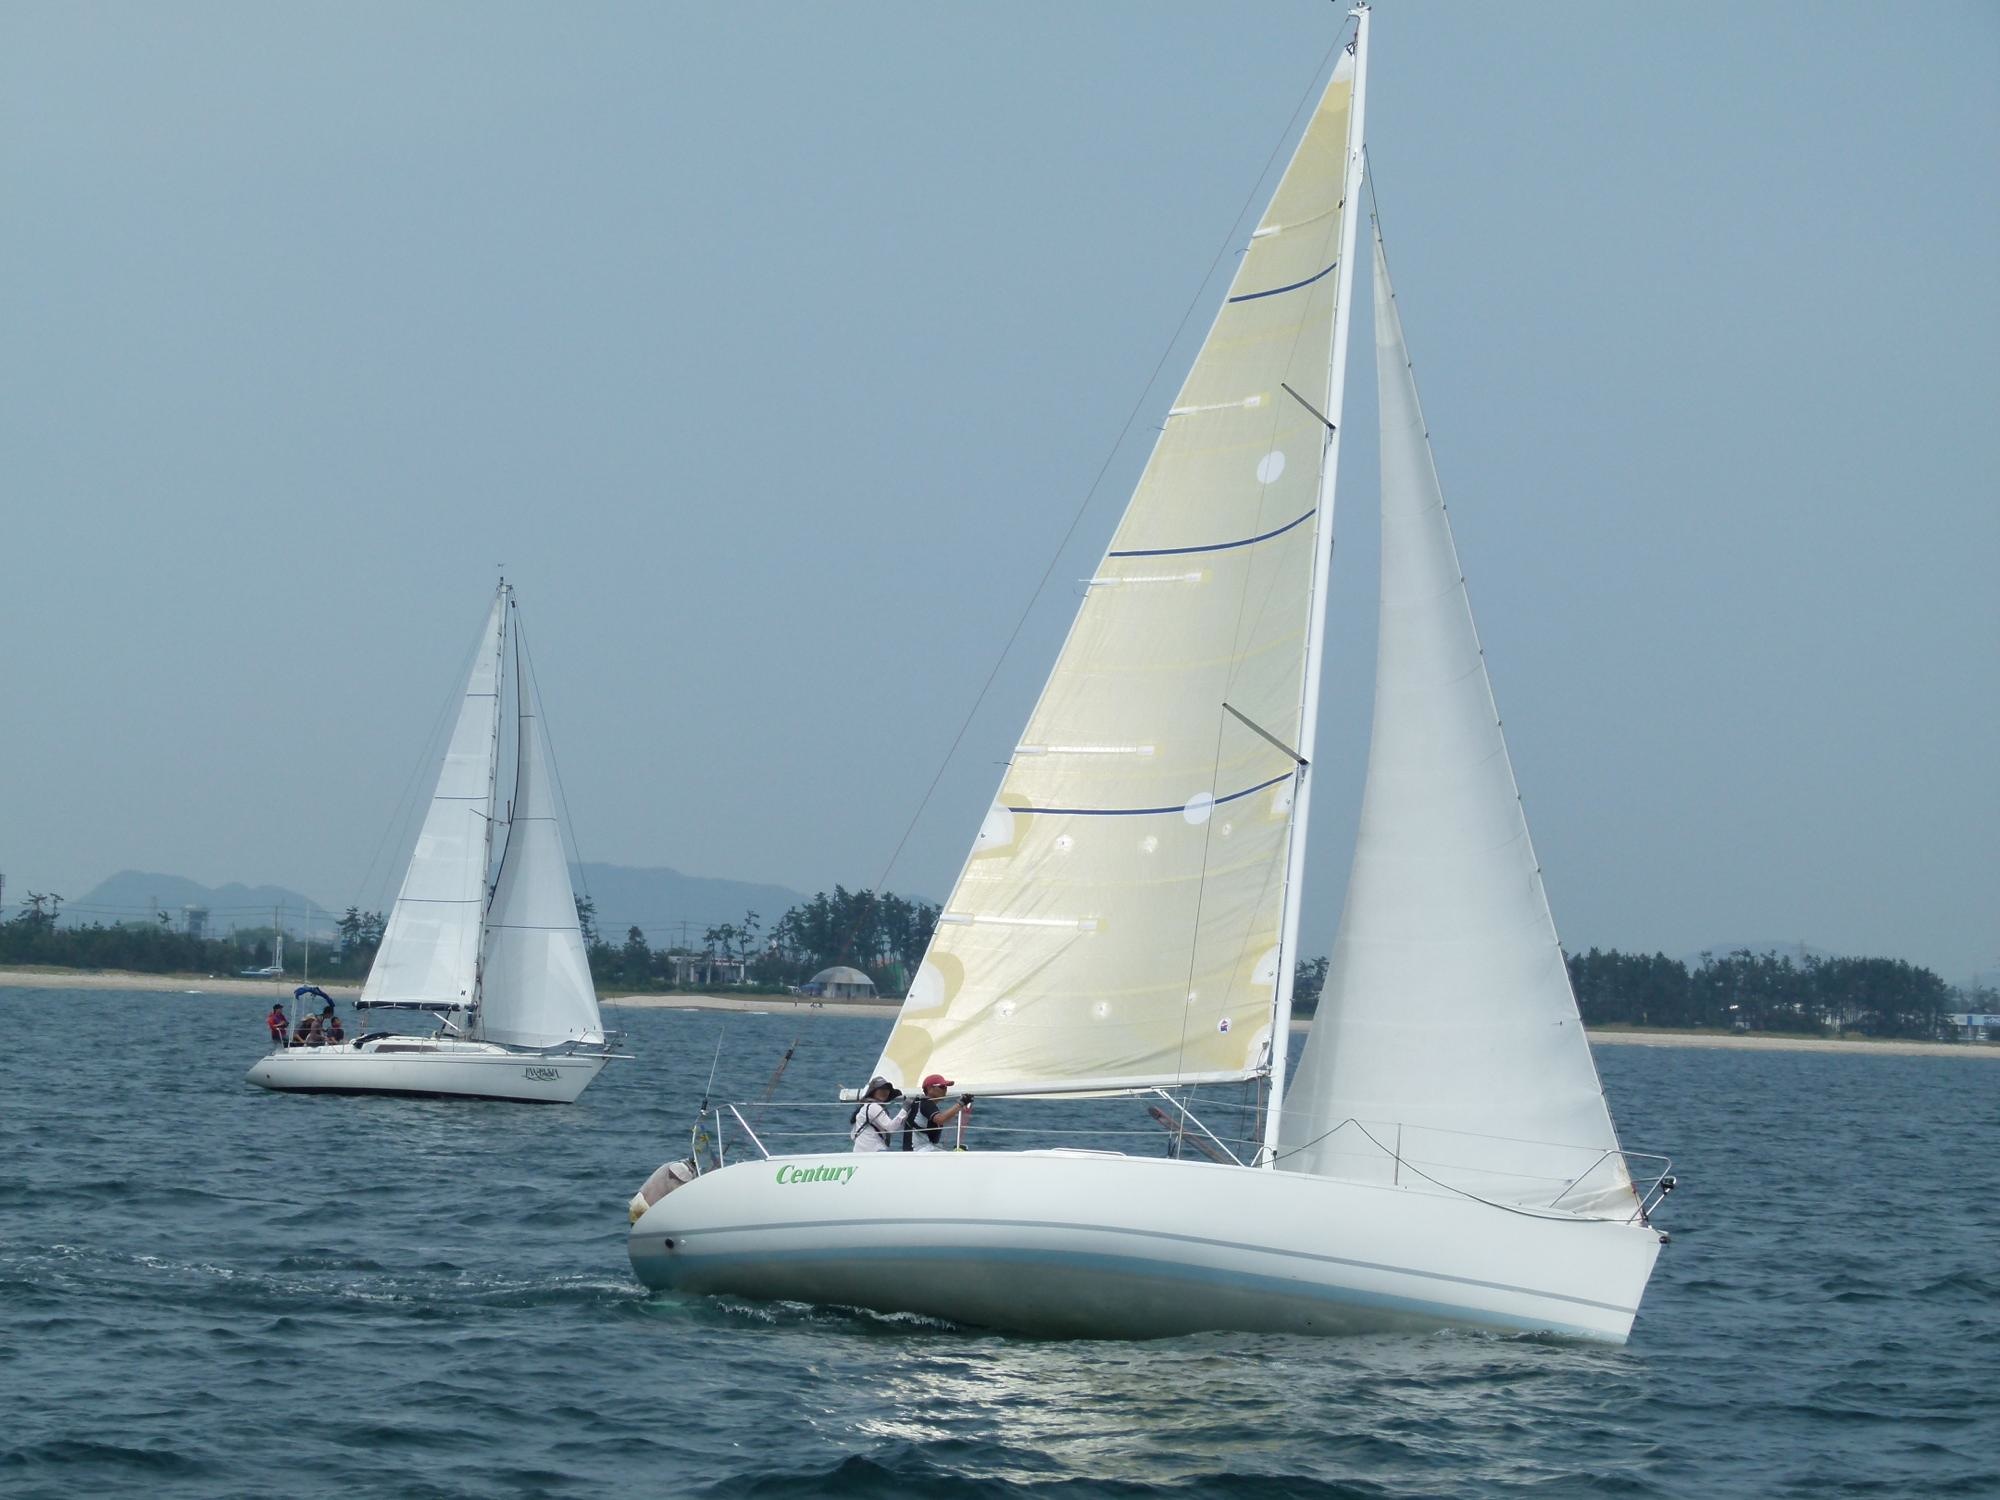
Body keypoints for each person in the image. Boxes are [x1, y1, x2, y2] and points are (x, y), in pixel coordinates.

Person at [902, 1073, 974, 1152]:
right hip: (918, 1150)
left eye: (946, 1087)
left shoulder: (921, 1103)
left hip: (920, 1149)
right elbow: (940, 1119)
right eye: (942, 1086)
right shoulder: (926, 1104)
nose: (945, 1089)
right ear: (930, 1089)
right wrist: (961, 1103)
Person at [848, 1077, 906, 1153]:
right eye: (881, 1089)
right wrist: (905, 1109)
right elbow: (891, 1127)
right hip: (874, 1151)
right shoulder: (874, 1107)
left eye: (886, 1089)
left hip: (860, 1151)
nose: (884, 1092)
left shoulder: (864, 1107)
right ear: (873, 1091)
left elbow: (853, 1135)